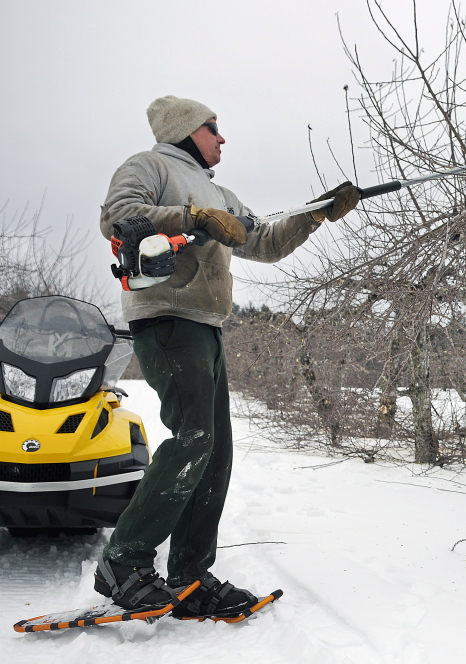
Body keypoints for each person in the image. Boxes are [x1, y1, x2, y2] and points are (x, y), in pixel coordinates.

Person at [95, 95, 358, 617]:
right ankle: (123, 563)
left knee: (214, 452)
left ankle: (190, 576)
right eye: (214, 128)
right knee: (193, 437)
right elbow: (118, 217)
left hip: (208, 326)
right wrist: (193, 216)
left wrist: (316, 216)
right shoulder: (148, 167)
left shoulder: (221, 193)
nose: (222, 138)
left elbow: (262, 241)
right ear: (185, 129)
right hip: (168, 318)